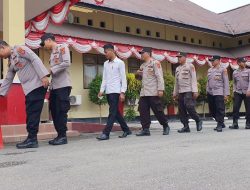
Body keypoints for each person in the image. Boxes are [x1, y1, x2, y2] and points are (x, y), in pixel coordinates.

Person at [0, 40, 50, 149]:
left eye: (0, 54)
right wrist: (1, 93)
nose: (1, 57)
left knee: (33, 114)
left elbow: (34, 58)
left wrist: (43, 75)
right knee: (30, 113)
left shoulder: (19, 49)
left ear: (2, 47)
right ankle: (31, 138)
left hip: (37, 85)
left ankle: (32, 140)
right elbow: (9, 78)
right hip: (29, 89)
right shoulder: (12, 60)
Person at [40, 33, 72, 145]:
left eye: (44, 43)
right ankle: (59, 135)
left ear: (48, 40)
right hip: (54, 86)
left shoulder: (62, 47)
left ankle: (63, 136)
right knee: (54, 111)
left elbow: (67, 63)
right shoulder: (52, 54)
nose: (44, 46)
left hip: (63, 85)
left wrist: (51, 70)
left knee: (61, 111)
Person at [96, 44, 132, 140]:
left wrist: (122, 92)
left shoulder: (120, 63)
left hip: (116, 91)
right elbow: (104, 78)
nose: (105, 54)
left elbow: (123, 79)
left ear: (112, 51)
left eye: (106, 52)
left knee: (112, 112)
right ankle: (127, 130)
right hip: (108, 91)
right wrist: (101, 90)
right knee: (115, 112)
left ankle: (106, 133)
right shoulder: (105, 64)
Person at [135, 47, 170, 136]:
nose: (141, 55)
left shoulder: (155, 63)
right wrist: (138, 74)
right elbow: (140, 79)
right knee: (143, 110)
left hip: (153, 91)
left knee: (158, 110)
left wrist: (160, 89)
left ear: (148, 53)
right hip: (144, 92)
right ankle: (146, 129)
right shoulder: (142, 66)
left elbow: (159, 77)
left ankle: (165, 126)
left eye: (142, 53)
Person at [173, 52, 203, 133]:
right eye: (177, 57)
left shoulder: (190, 66)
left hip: (188, 90)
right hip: (180, 92)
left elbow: (194, 79)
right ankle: (186, 126)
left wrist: (195, 91)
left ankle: (198, 120)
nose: (178, 58)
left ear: (185, 57)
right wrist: (175, 93)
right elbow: (176, 82)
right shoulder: (177, 68)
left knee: (189, 106)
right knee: (181, 109)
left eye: (180, 57)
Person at [207, 55, 230, 132]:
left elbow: (226, 82)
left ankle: (219, 124)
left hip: (219, 92)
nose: (212, 62)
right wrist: (207, 90)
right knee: (212, 109)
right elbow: (208, 81)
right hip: (210, 92)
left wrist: (226, 94)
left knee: (220, 108)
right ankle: (221, 121)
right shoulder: (209, 70)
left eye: (213, 60)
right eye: (211, 60)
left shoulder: (223, 70)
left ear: (218, 61)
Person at [229, 57, 250, 129]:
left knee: (248, 108)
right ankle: (235, 123)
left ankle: (248, 123)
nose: (244, 63)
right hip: (238, 92)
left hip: (247, 92)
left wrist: (249, 90)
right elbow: (234, 82)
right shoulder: (235, 72)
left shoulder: (248, 71)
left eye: (245, 62)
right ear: (238, 63)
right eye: (243, 62)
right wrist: (234, 91)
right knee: (235, 107)